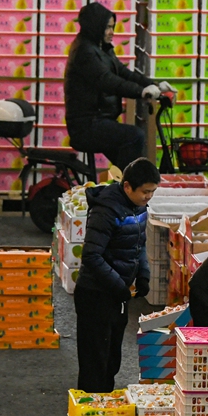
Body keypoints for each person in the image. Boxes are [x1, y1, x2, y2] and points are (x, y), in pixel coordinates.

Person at [74, 158, 160, 392]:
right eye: (145, 192)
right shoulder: (106, 210)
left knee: (112, 360)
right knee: (95, 362)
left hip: (118, 295)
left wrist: (143, 275)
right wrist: (118, 286)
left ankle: (105, 405)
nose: (148, 197)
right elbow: (91, 256)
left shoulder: (138, 207)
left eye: (152, 192)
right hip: (95, 294)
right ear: (128, 186)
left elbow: (138, 244)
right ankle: (90, 408)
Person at [65, 2, 176, 171]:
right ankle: (125, 185)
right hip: (86, 125)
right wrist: (141, 92)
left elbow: (123, 73)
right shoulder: (85, 52)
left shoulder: (101, 48)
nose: (112, 32)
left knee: (131, 159)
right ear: (96, 26)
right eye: (107, 27)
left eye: (113, 27)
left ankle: (125, 182)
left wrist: (153, 85)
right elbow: (108, 81)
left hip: (100, 120)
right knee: (134, 136)